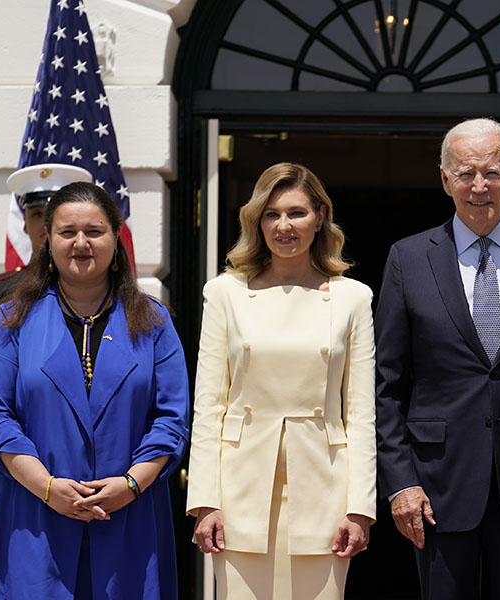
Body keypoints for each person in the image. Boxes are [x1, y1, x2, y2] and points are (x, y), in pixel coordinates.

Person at [375, 117, 500, 600]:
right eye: (465, 174)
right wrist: (400, 483)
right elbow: (384, 386)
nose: (479, 186)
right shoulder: (408, 258)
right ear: (445, 180)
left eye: (492, 172)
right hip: (438, 487)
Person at [0, 181, 189, 598]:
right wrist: (48, 488)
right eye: (67, 232)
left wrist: (129, 485)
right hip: (33, 517)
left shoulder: (154, 322)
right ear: (47, 242)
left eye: (94, 231)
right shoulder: (12, 320)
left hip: (129, 518)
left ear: (116, 238)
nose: (81, 243)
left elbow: (172, 420)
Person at [187, 163, 376, 600]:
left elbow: (361, 413)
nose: (283, 226)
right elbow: (208, 407)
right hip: (238, 491)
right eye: (271, 214)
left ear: (320, 216)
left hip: (325, 489)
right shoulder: (224, 293)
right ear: (257, 220)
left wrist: (359, 509)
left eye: (296, 213)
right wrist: (205, 502)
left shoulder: (352, 297)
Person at [0, 163, 92, 519]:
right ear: (26, 223)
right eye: (37, 214)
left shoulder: (100, 294)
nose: (45, 226)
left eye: (54, 214)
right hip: (14, 469)